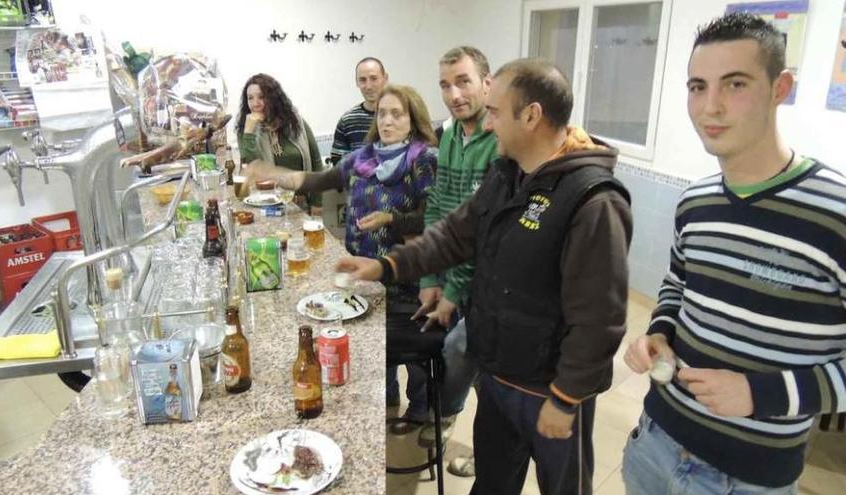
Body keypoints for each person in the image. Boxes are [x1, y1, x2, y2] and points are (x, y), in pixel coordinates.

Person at [337, 58, 632, 495]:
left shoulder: (593, 199)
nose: (488, 124)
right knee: (493, 484)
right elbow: (455, 234)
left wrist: (566, 398)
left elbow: (599, 319)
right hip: (497, 374)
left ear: (531, 116)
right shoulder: (508, 174)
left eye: (495, 112)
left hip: (548, 388)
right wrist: (389, 266)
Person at [622, 12, 846, 494]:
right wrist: (659, 332)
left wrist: (759, 394)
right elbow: (678, 284)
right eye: (697, 87)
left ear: (779, 87)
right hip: (654, 441)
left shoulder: (836, 213)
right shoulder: (696, 201)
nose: (710, 107)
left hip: (747, 476)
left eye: (735, 84)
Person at [246, 84, 438, 427]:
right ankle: (388, 393)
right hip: (363, 272)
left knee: (413, 352)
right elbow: (319, 180)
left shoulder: (423, 159)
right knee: (376, 339)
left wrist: (391, 218)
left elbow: (436, 220)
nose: (388, 120)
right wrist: (273, 175)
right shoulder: (364, 157)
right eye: (382, 113)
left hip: (407, 274)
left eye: (398, 113)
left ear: (413, 119)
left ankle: (420, 406)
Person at [412, 46, 497, 477]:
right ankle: (461, 433)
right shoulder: (448, 135)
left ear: (488, 83)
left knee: (479, 371)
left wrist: (452, 288)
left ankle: (466, 436)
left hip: (488, 284)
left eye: (463, 81)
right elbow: (438, 211)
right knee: (471, 366)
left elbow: (480, 229)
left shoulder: (500, 139)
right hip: (453, 275)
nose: (453, 93)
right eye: (445, 84)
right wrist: (429, 273)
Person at [236, 73, 324, 212]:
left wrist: (317, 203)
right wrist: (248, 133)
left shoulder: (296, 122)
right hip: (266, 206)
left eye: (261, 97)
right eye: (250, 98)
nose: (255, 104)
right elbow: (253, 169)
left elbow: (317, 163)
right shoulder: (246, 130)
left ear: (273, 98)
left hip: (300, 205)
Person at [329, 57, 389, 165]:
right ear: (356, 82)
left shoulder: (403, 116)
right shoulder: (347, 121)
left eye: (374, 78)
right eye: (362, 80)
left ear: (385, 79)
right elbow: (338, 165)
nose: (368, 86)